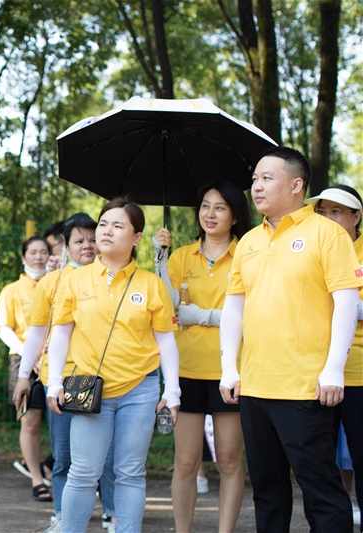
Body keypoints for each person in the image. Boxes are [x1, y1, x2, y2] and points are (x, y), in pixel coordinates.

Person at [219, 147, 359, 532]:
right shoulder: (247, 241)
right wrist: (229, 367)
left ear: (296, 185)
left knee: (321, 491)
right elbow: (234, 308)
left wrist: (333, 370)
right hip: (254, 386)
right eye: (254, 180)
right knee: (267, 489)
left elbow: (346, 304)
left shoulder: (327, 234)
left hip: (305, 388)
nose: (256, 187)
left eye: (267, 178)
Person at [47, 198, 181, 533]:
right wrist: (54, 381)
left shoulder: (152, 284)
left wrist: (173, 391)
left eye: (117, 225)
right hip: (90, 390)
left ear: (136, 237)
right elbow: (61, 334)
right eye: (103, 224)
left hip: (141, 388)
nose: (105, 231)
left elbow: (166, 340)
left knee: (131, 472)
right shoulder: (74, 281)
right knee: (82, 472)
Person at [153, 180, 251, 532]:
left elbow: (247, 313)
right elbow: (170, 308)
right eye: (205, 205)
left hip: (232, 370)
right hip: (186, 369)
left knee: (228, 460)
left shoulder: (248, 253)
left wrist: (201, 315)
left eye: (220, 207)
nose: (210, 214)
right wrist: (160, 260)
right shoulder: (179, 256)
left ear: (236, 215)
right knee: (186, 461)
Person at [14, 213, 114, 533]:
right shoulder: (51, 282)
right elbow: (36, 332)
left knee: (107, 456)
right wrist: (24, 375)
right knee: (63, 455)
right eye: (78, 241)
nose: (87, 245)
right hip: (63, 380)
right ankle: (62, 515)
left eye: (92, 239)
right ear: (65, 247)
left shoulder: (115, 277)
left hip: (108, 378)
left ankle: (111, 512)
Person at [307, 184, 363, 527]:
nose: (328, 218)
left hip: (358, 373)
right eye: (323, 211)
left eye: (337, 211)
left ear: (357, 217)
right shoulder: (313, 249)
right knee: (317, 467)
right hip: (315, 372)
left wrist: (344, 304)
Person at [0, 236, 52, 502]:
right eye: (33, 252)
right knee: (30, 422)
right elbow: (4, 329)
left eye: (43, 252)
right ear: (23, 257)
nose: (38, 257)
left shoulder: (57, 283)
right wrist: (30, 355)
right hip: (23, 360)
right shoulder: (12, 290)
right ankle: (37, 479)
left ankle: (53, 471)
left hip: (57, 358)